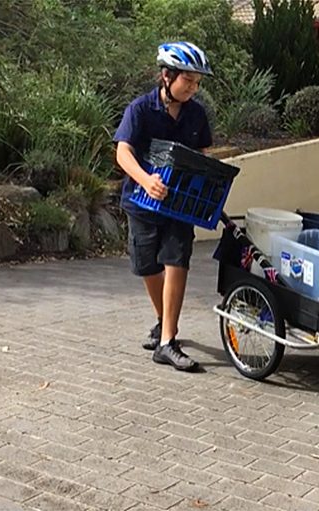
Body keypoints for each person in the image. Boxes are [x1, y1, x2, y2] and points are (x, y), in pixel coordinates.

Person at [113, 41, 213, 371]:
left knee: (176, 260)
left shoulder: (196, 114)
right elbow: (122, 152)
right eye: (188, 80)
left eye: (197, 82)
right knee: (147, 267)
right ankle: (163, 319)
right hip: (141, 203)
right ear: (166, 76)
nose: (193, 88)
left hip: (180, 205)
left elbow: (203, 156)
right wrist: (145, 180)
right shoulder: (140, 110)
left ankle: (168, 340)